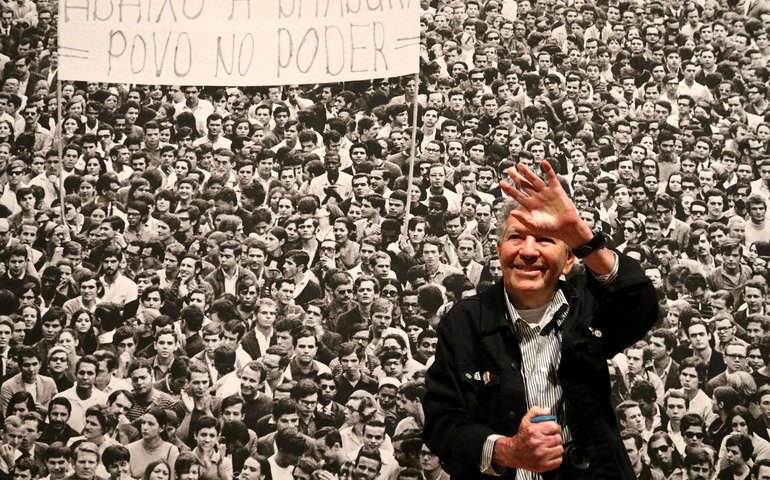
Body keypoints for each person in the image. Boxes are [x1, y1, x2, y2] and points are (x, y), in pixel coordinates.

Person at [423, 160, 658, 479]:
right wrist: (508, 451)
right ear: (498, 250)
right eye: (516, 237)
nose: (528, 251)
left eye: (545, 239)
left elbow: (641, 306)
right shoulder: (464, 321)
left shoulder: (587, 306)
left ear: (568, 259)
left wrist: (580, 234)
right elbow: (442, 422)